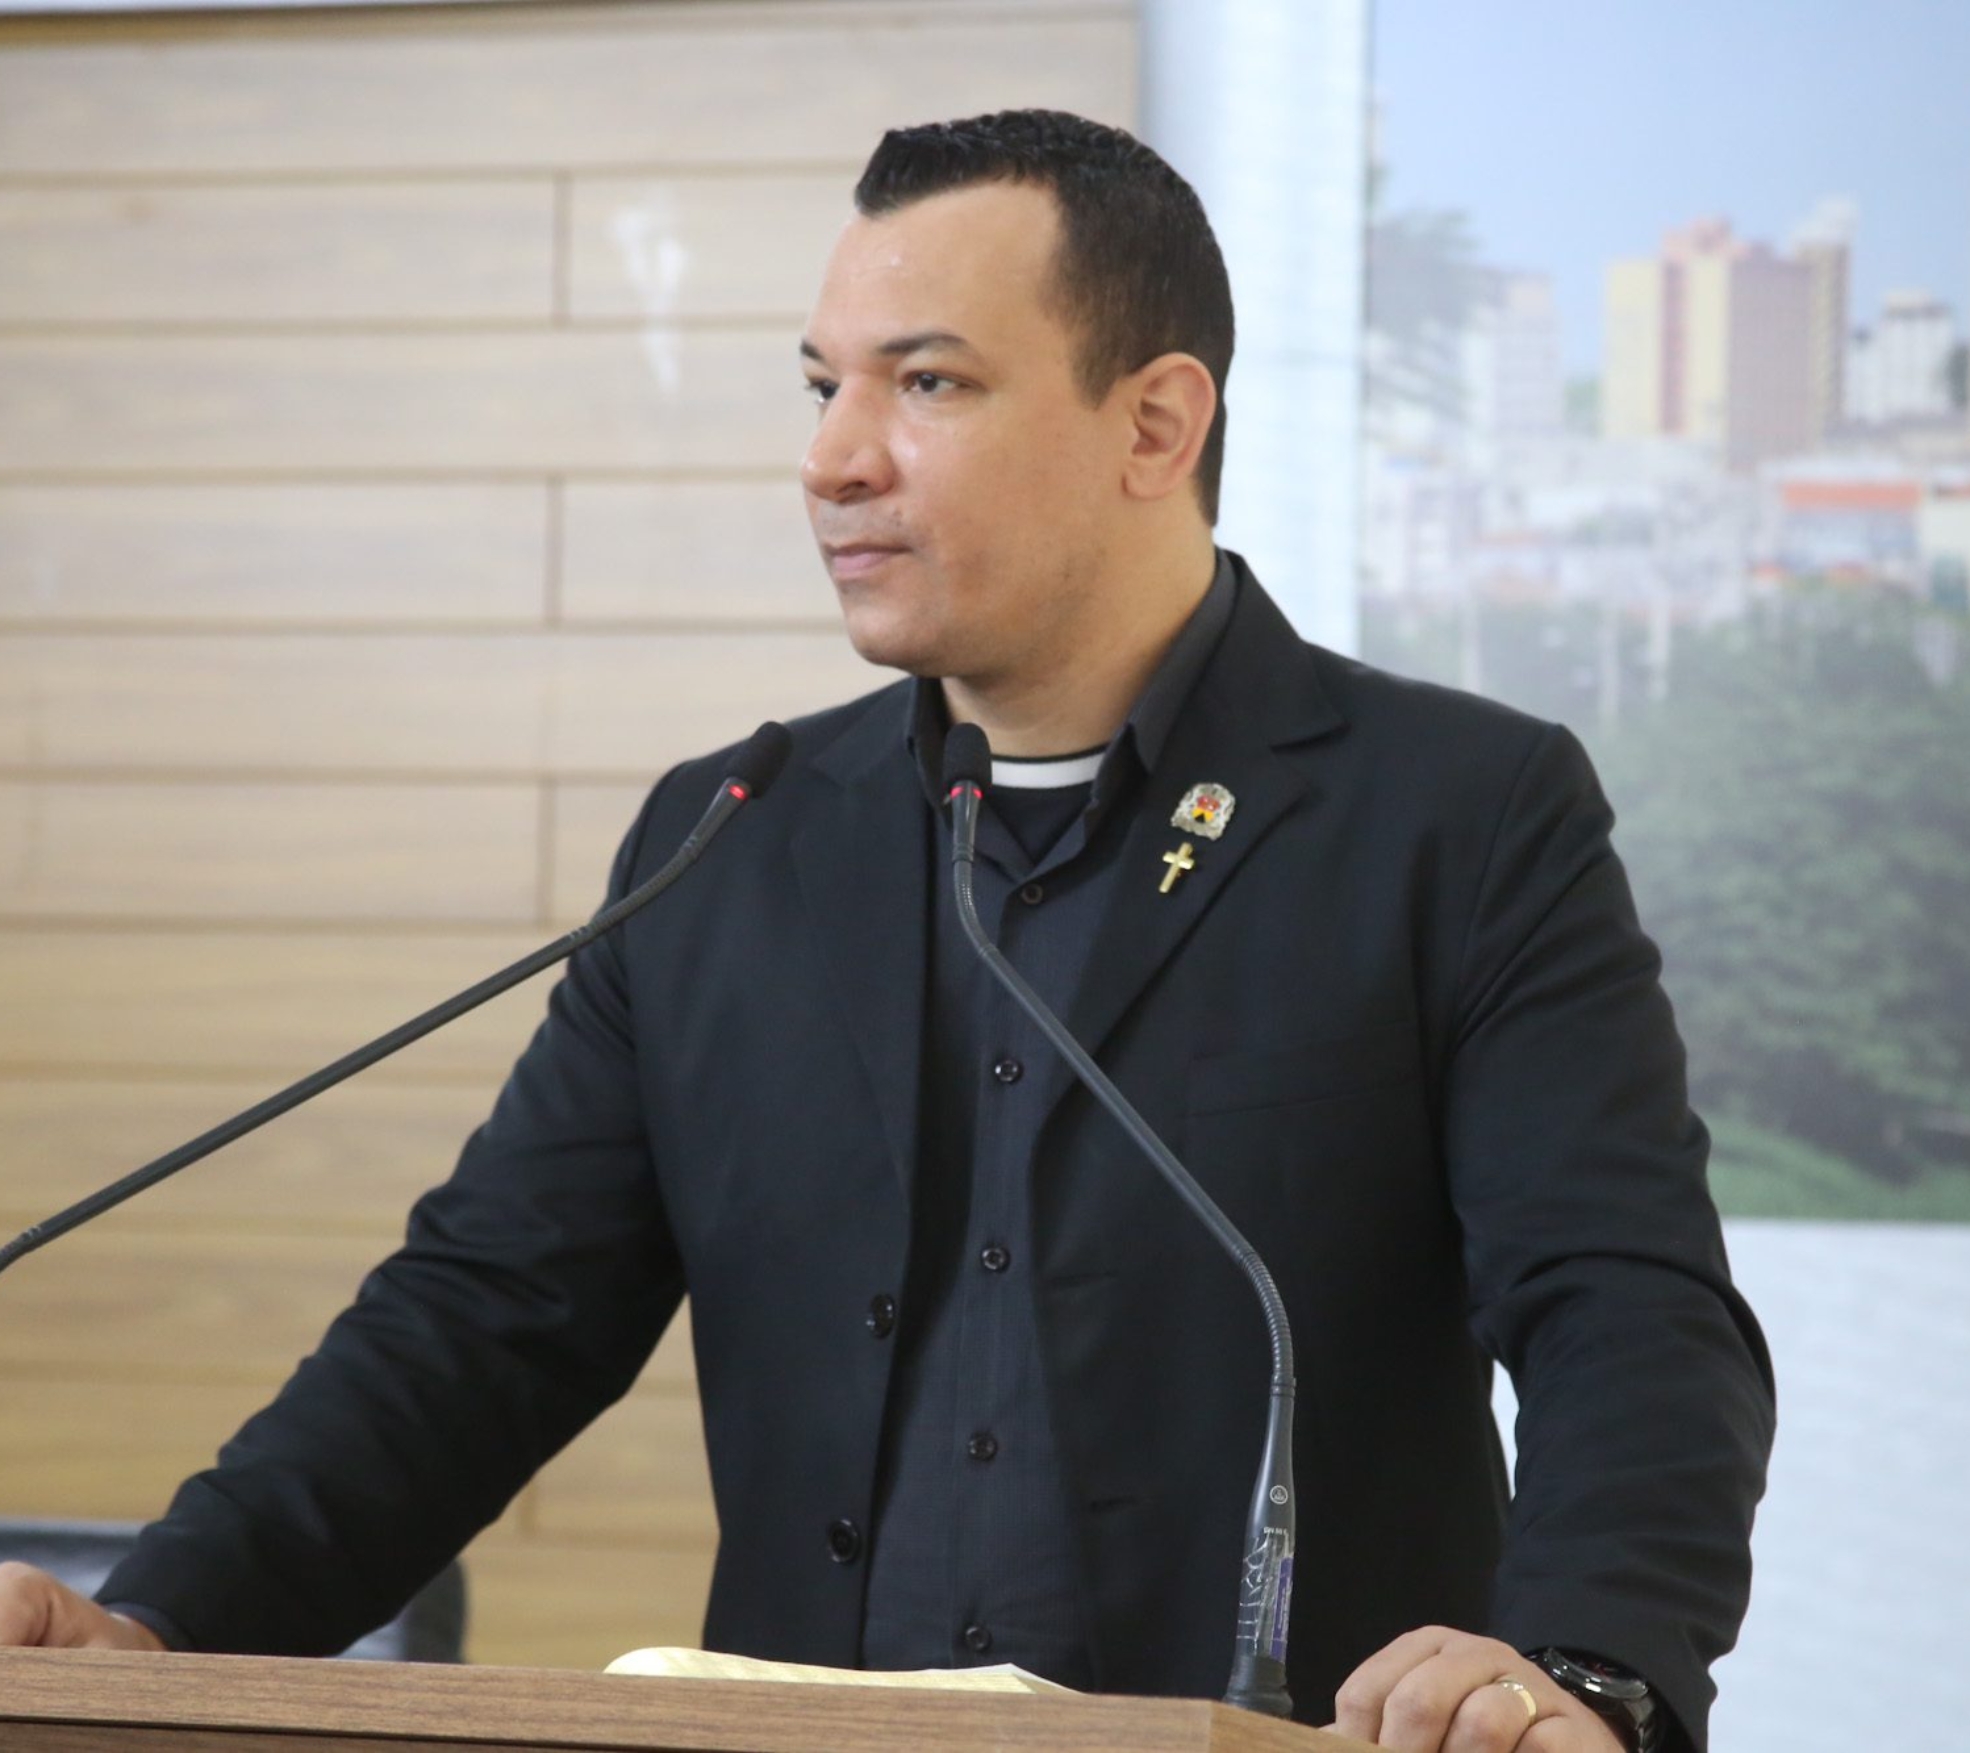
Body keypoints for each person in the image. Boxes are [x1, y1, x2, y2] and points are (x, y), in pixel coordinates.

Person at [0, 111, 1772, 1752]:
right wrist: (162, 1621)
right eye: (821, 384)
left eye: (925, 383)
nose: (832, 459)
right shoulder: (735, 839)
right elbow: (483, 1321)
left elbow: (1625, 1301)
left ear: (1155, 422)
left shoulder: (1451, 811)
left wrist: (1580, 1662)